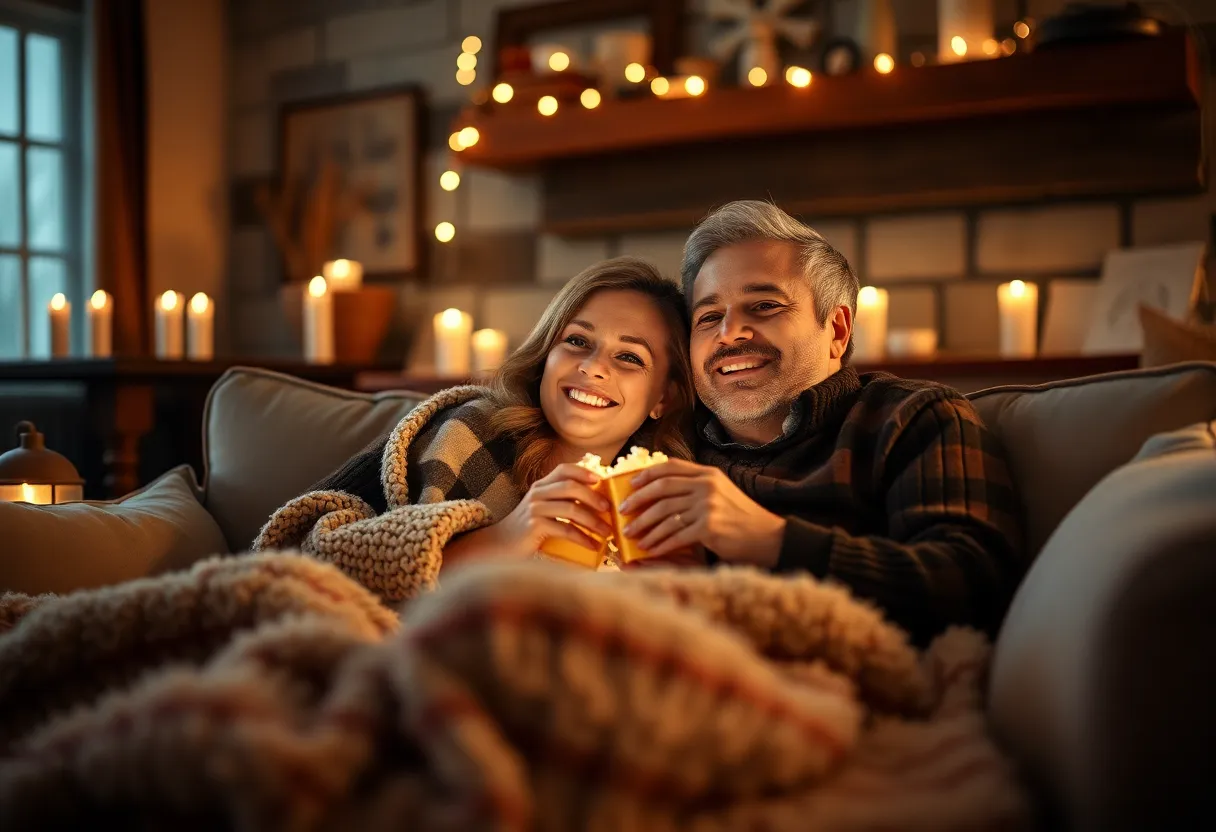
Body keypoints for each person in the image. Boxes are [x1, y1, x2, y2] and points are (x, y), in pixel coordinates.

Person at [617, 200, 1025, 643]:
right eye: (709, 316)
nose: (729, 333)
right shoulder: (662, 441)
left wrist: (771, 540)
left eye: (764, 306)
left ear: (837, 330)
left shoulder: (914, 418)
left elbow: (975, 583)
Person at [270, 256, 696, 577]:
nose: (593, 367)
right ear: (546, 354)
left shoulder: (665, 503)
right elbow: (307, 558)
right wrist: (509, 534)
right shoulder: (471, 431)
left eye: (629, 357)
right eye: (577, 341)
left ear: (665, 397)